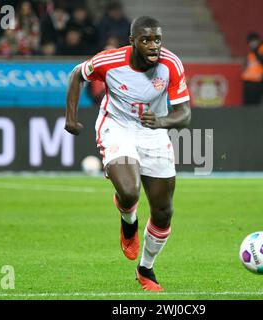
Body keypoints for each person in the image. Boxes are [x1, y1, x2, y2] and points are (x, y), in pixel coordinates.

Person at [65, 16, 191, 292]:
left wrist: (161, 122)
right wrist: (71, 118)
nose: (153, 45)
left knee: (163, 211)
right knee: (131, 191)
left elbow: (184, 113)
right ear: (132, 41)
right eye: (146, 40)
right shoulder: (108, 61)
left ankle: (145, 267)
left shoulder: (171, 64)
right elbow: (77, 74)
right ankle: (128, 220)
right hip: (117, 127)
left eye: (157, 39)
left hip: (154, 131)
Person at [241, 32, 263, 106]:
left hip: (259, 81)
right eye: (250, 42)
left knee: (256, 105)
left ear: (258, 40)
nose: (251, 44)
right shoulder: (251, 52)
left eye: (253, 41)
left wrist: (256, 51)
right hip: (248, 81)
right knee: (246, 104)